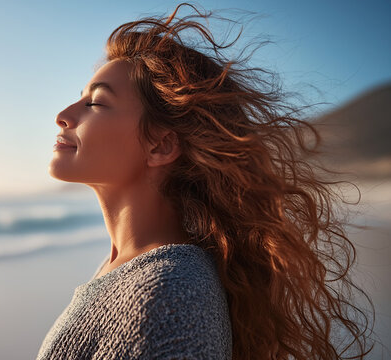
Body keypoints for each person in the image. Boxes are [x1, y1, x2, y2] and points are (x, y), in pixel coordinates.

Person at [37, 4, 373, 359]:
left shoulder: (168, 295)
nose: (63, 115)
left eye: (97, 103)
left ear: (161, 145)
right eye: (81, 98)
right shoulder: (133, 272)